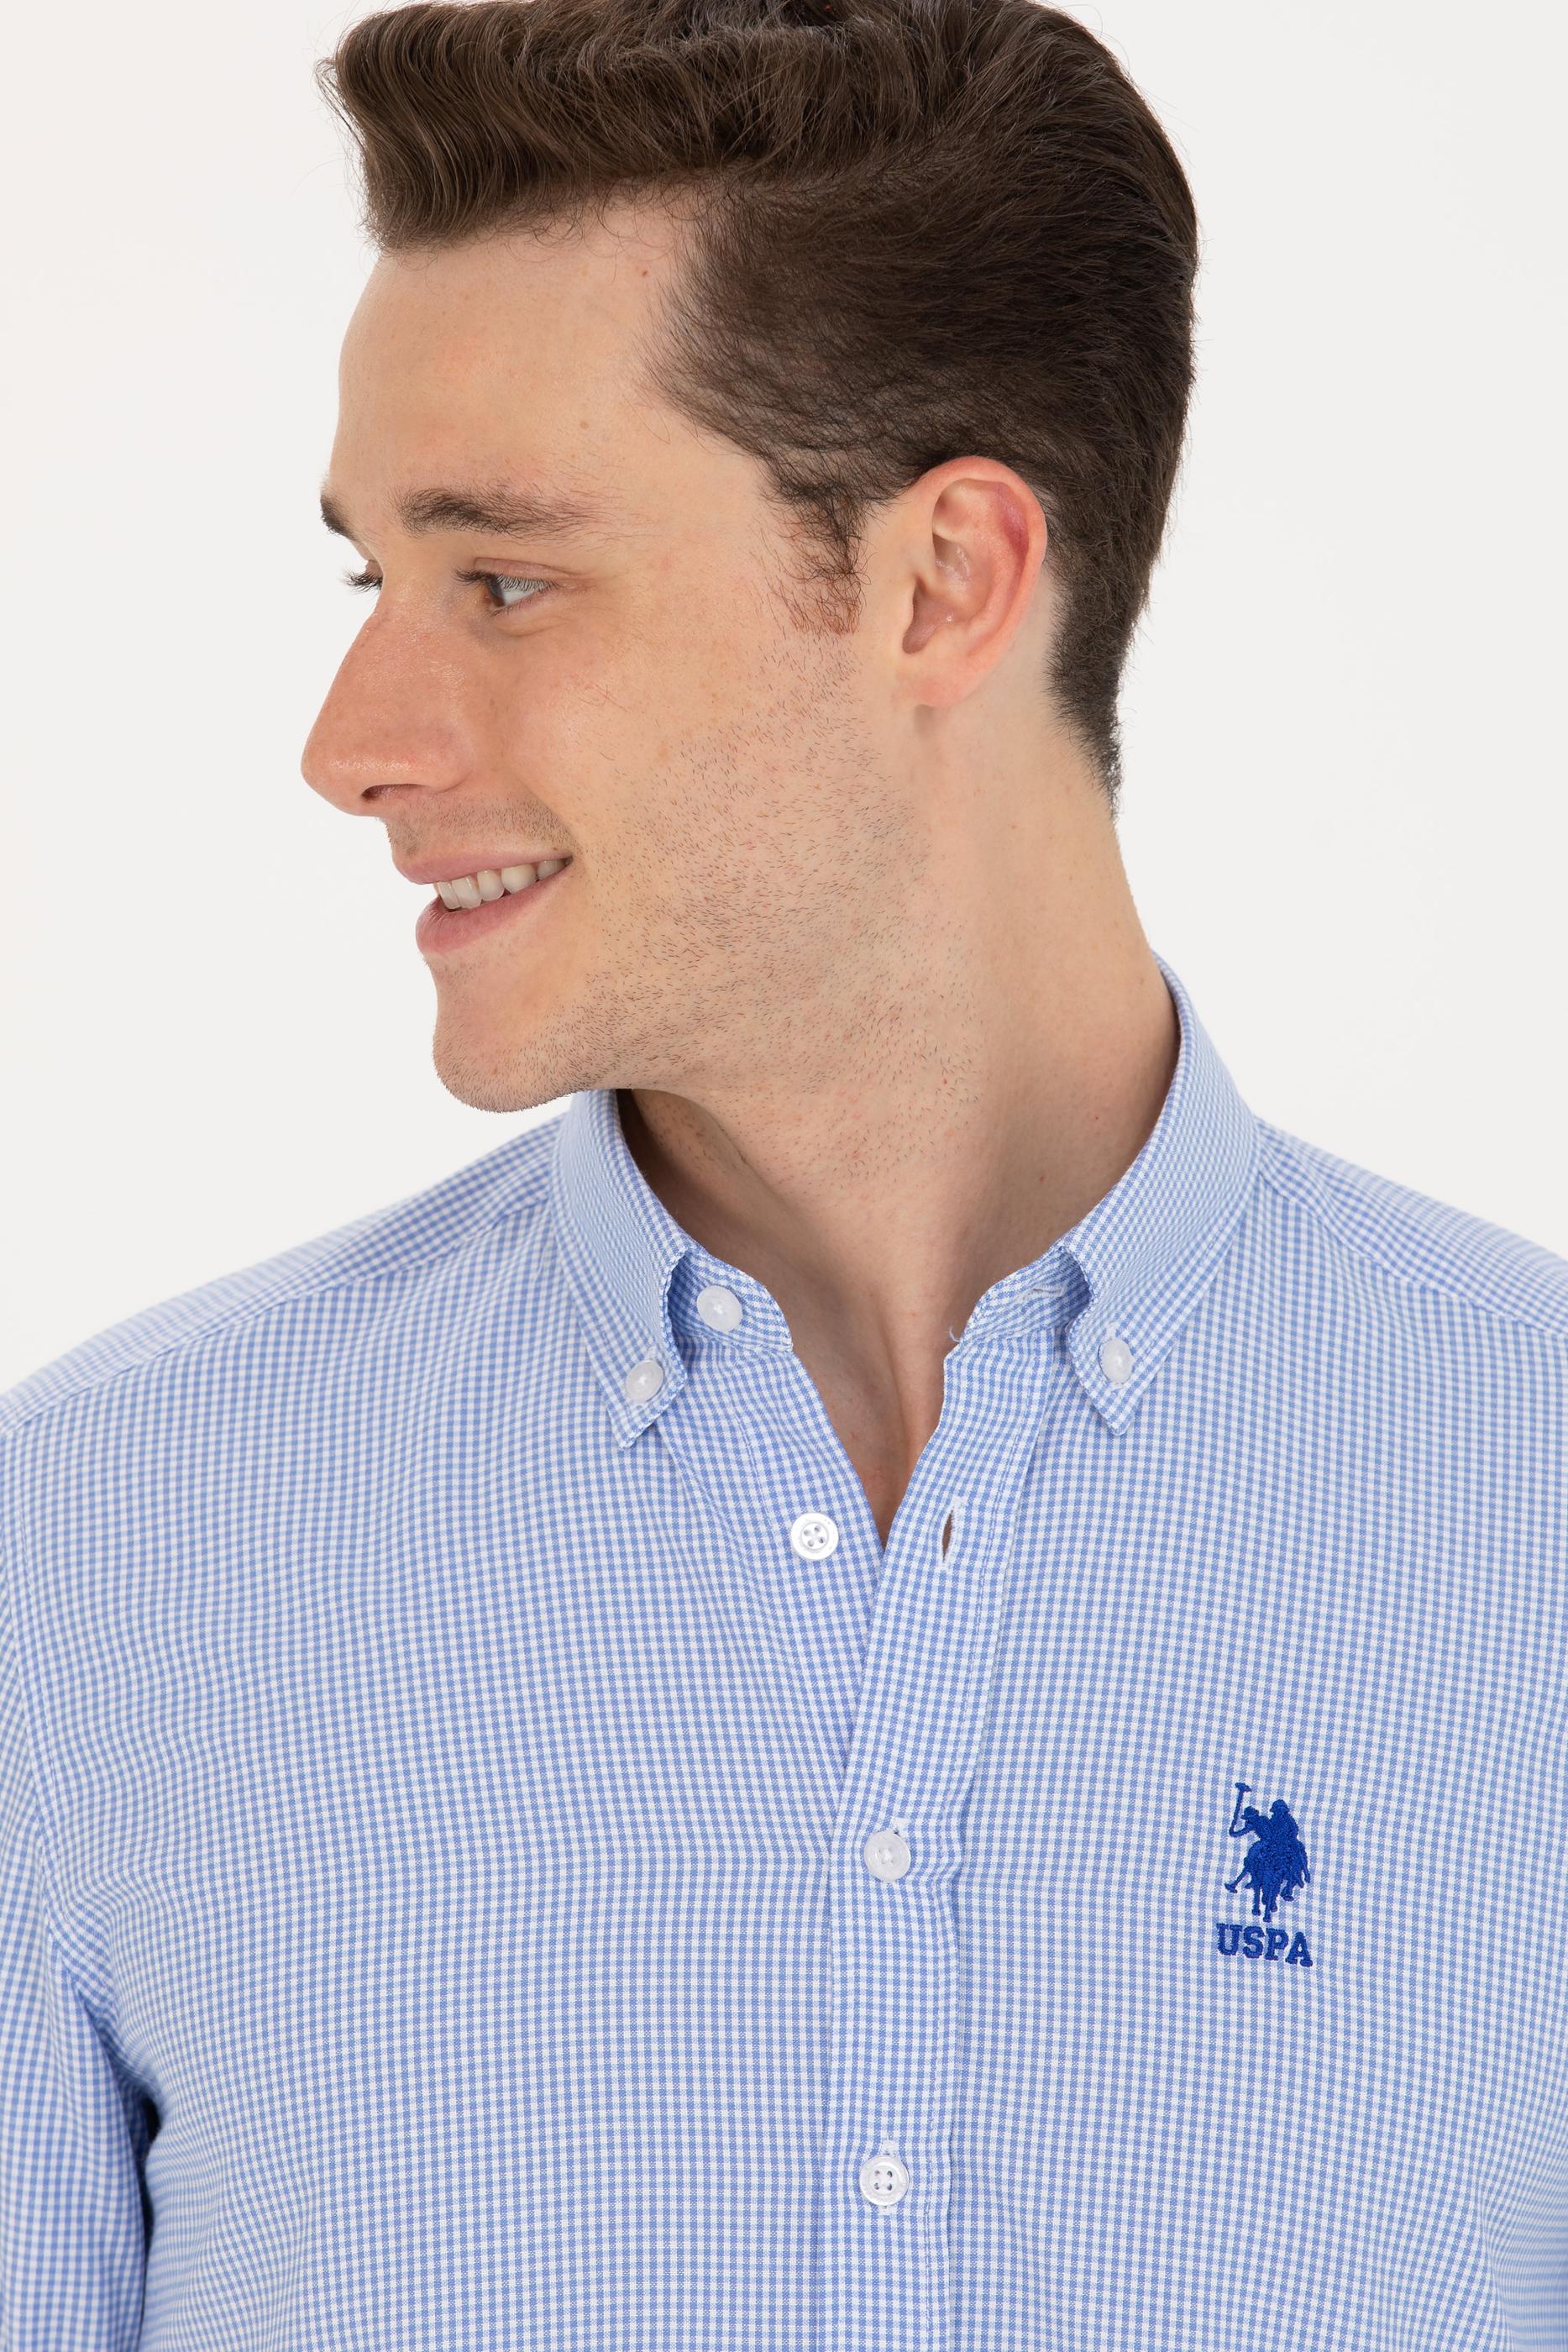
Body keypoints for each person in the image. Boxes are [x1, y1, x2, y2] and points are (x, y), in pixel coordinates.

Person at [3, 0, 1564, 2343]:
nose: (353, 744)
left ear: (942, 583)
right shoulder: (88, 1571)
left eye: (502, 581)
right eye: (370, 583)